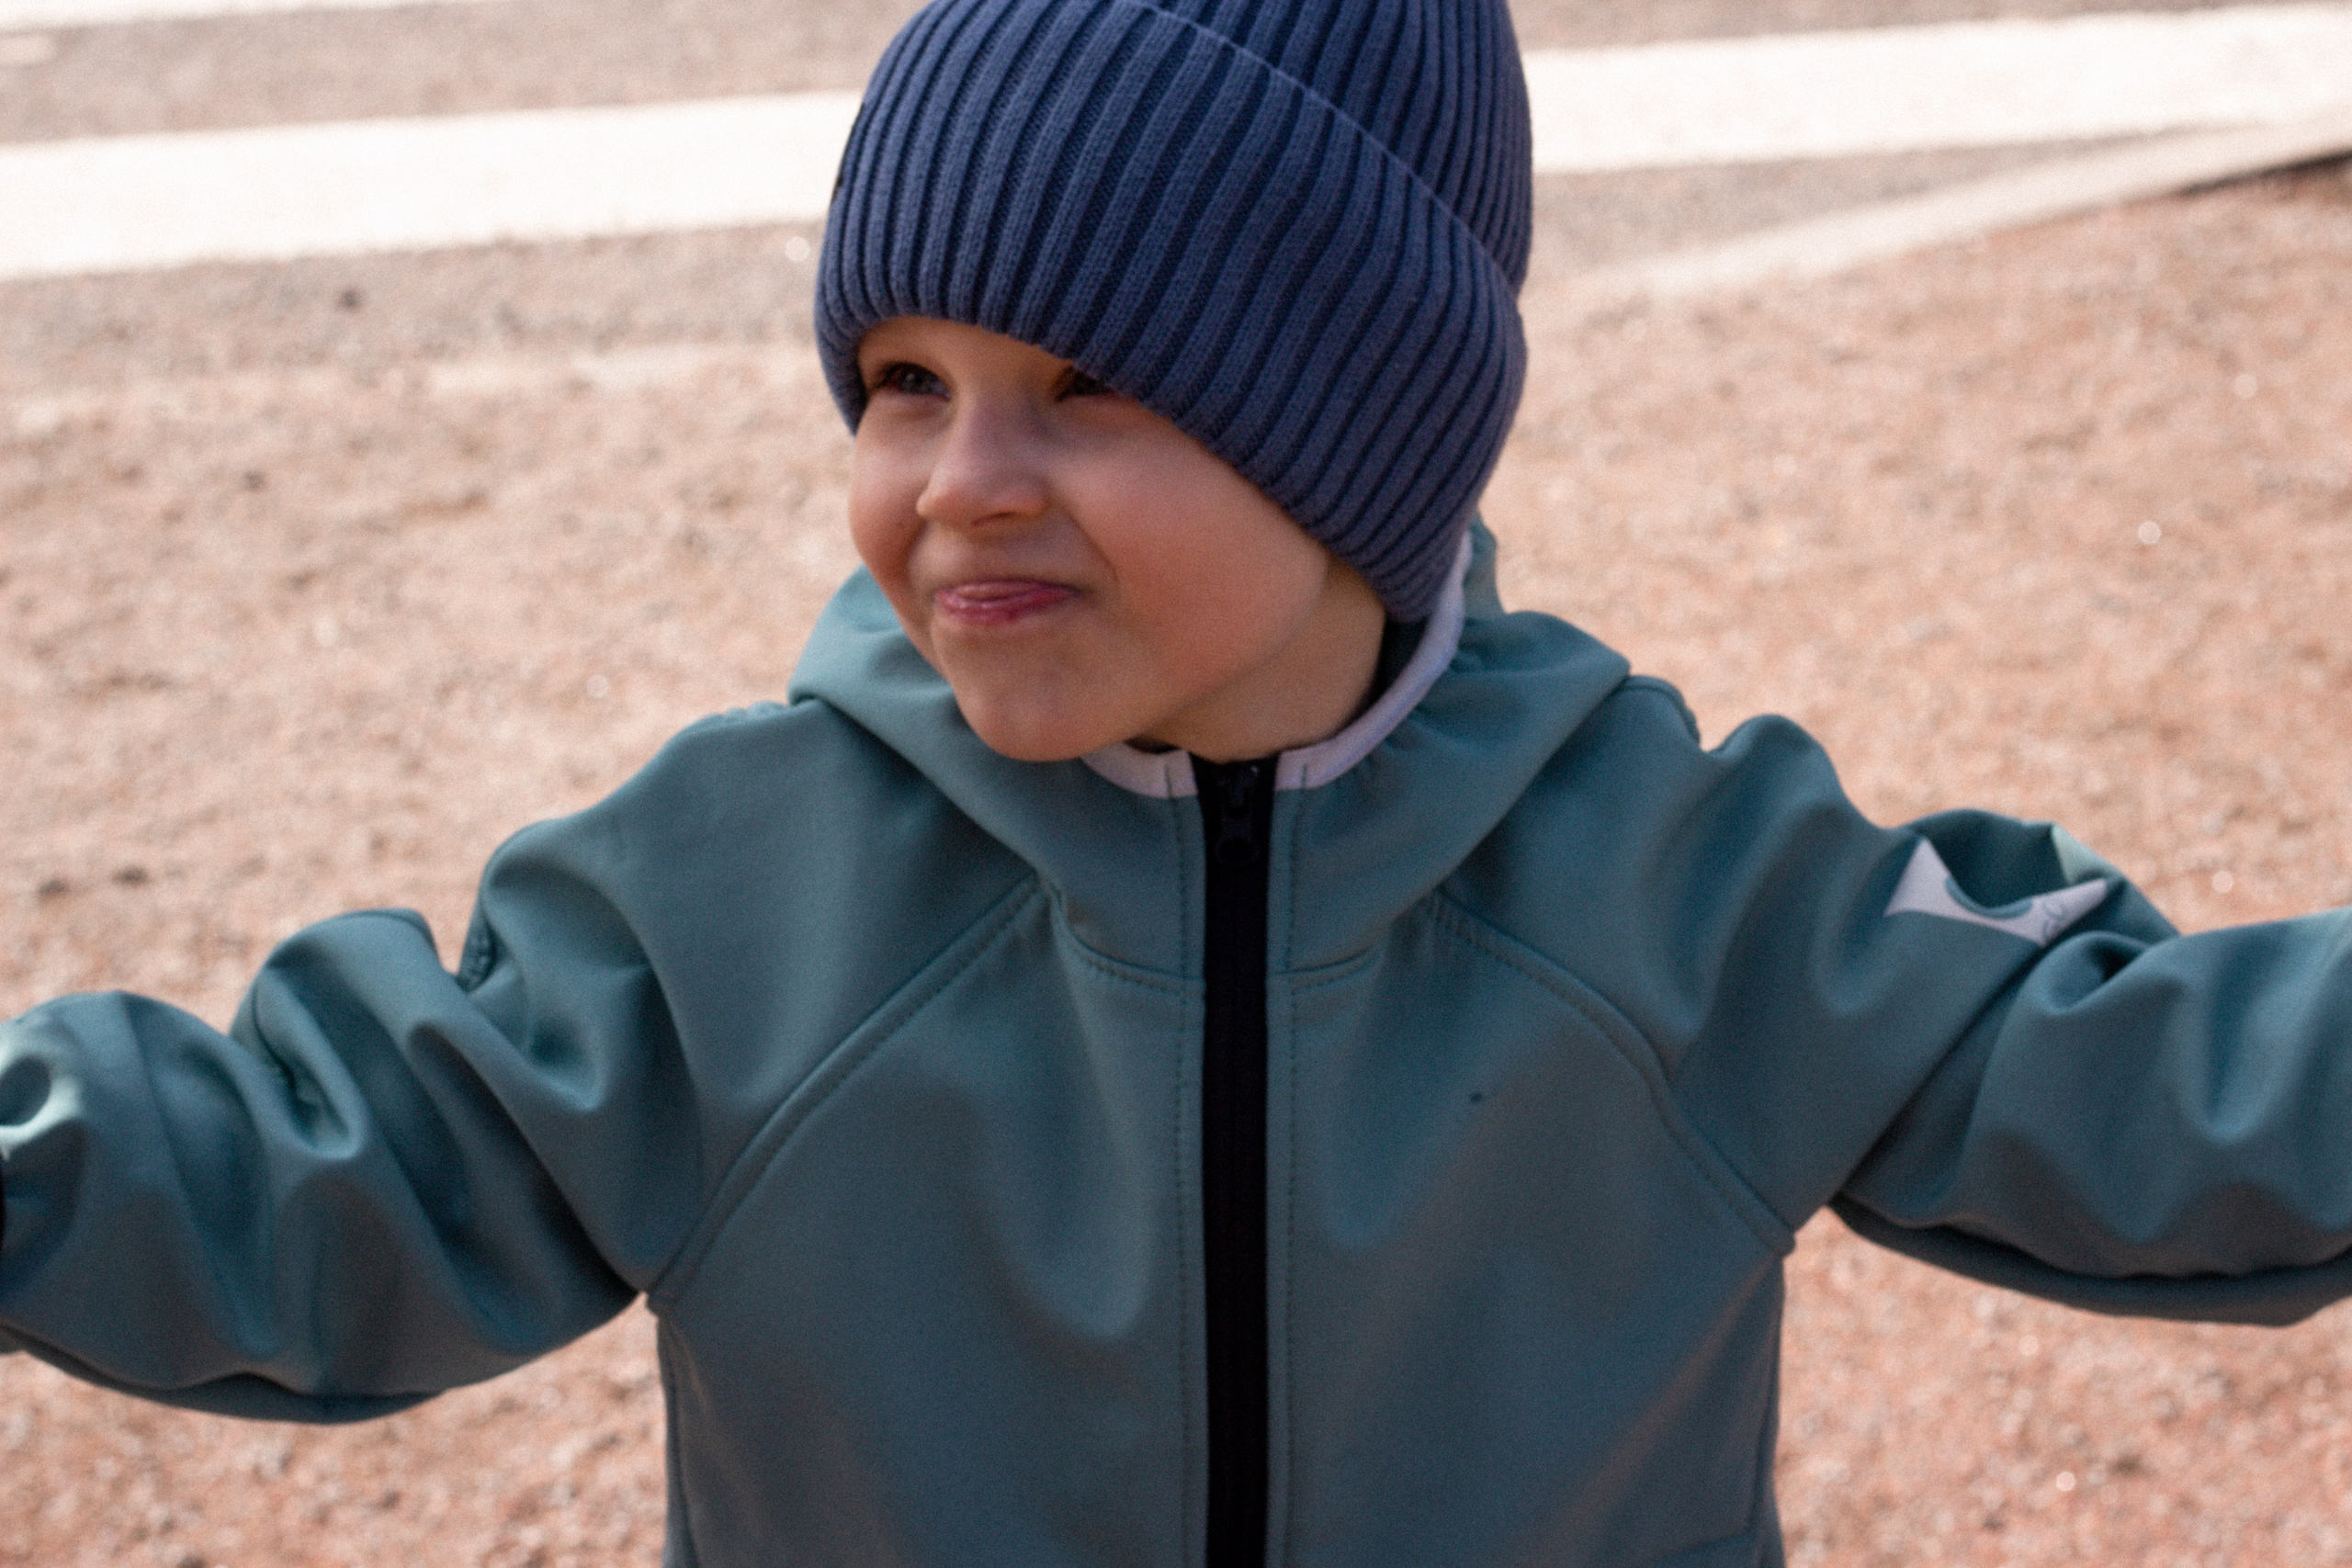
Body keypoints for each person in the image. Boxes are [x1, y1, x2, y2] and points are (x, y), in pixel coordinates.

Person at [4, 1, 2349, 1564]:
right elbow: (327, 1173)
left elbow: (2149, 1091)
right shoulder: (740, 896)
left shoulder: (1676, 884)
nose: (961, 482)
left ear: (1360, 436)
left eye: (1087, 384)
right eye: (901, 379)